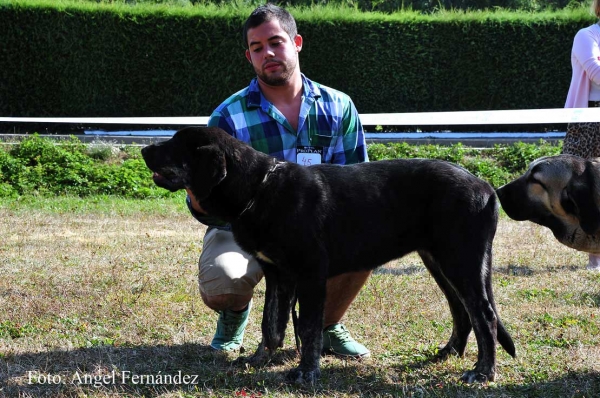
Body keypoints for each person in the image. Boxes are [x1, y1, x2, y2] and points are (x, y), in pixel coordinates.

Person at [185, 3, 372, 357]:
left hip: (318, 229)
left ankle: (325, 325)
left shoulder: (339, 107)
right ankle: (234, 313)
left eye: (276, 42)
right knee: (224, 279)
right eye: (257, 48)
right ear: (249, 56)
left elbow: (358, 185)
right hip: (244, 232)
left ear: (297, 42)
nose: (267, 53)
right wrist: (199, 198)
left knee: (365, 243)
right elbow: (206, 205)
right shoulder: (227, 117)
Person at [563, 0, 600, 270]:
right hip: (588, 120)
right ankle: (594, 255)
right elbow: (596, 73)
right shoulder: (585, 36)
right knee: (584, 187)